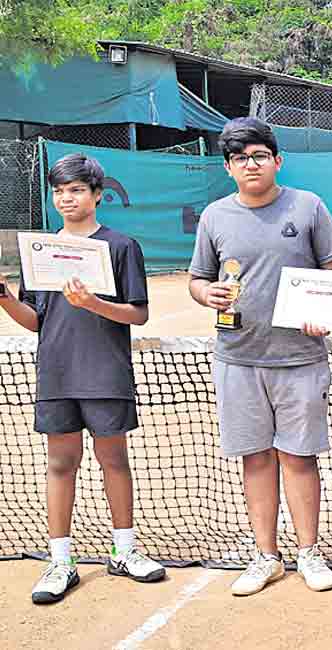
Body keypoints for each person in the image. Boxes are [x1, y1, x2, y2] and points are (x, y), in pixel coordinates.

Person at [188, 117, 332, 596]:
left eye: (259, 155)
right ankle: (267, 556)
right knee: (255, 459)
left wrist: (325, 312)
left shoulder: (308, 206)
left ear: (277, 161)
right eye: (241, 158)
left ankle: (308, 553)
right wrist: (205, 294)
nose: (251, 164)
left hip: (300, 358)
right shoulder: (214, 216)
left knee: (298, 459)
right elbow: (198, 278)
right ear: (228, 168)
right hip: (237, 358)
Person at [0, 153, 164, 604]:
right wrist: (3, 296)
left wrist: (95, 304)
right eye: (59, 191)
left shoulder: (121, 246)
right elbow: (36, 320)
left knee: (114, 461)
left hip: (106, 373)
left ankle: (125, 551)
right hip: (56, 373)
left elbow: (139, 313)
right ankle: (61, 561)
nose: (66, 198)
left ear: (96, 195)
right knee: (60, 464)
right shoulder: (40, 250)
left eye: (75, 190)